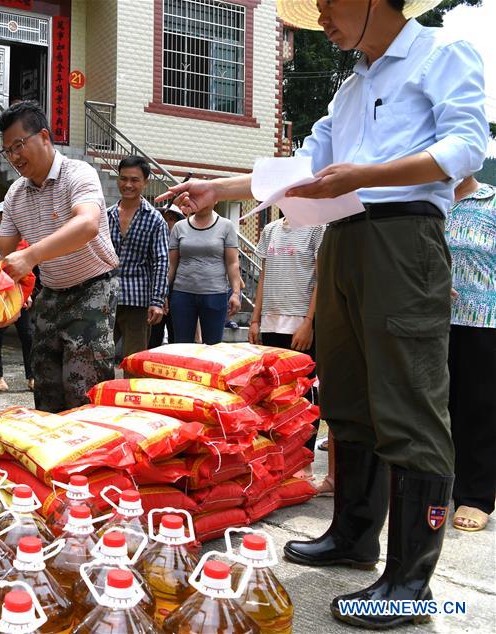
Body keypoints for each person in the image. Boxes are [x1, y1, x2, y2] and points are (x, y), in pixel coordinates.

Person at [158, 0, 487, 627]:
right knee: (349, 393)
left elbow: (466, 146)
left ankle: (411, 582)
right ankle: (355, 536)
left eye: (330, 4)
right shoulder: (352, 85)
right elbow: (308, 167)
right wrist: (221, 190)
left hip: (403, 236)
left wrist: (368, 173)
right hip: (342, 237)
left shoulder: (440, 53)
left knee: (411, 403)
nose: (320, 15)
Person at [0, 101, 119, 413]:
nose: (14, 157)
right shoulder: (15, 194)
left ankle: (91, 459)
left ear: (45, 136)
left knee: (83, 391)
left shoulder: (78, 173)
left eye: (19, 145)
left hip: (92, 290)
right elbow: (1, 250)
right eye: (8, 150)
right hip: (50, 294)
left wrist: (33, 255)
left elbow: (87, 224)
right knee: (46, 385)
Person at [249, 216, 331, 494]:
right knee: (274, 395)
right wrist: (255, 319)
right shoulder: (270, 230)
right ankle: (278, 458)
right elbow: (263, 277)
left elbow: (321, 278)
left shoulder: (317, 228)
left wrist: (310, 321)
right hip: (271, 322)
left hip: (301, 324)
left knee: (304, 395)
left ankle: (304, 461)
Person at [446, 175, 495, 533]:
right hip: (430, 322)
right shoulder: (427, 202)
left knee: (478, 408)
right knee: (436, 408)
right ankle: (440, 485)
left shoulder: (491, 202)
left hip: (485, 321)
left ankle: (476, 496)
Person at [108, 156, 169, 366]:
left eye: (134, 180)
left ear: (146, 182)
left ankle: (130, 398)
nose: (128, 185)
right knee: (98, 357)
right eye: (123, 179)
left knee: (133, 361)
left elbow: (161, 261)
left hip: (138, 299)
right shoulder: (105, 215)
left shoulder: (155, 219)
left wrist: (157, 301)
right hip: (106, 298)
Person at [167, 203, 242, 344]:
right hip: (182, 294)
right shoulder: (179, 227)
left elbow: (232, 263)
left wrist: (236, 293)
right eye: (196, 197)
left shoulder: (226, 226)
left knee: (213, 347)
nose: (201, 201)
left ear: (215, 200)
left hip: (215, 294)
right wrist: (163, 292)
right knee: (182, 346)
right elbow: (172, 265)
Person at [0, 203, 35, 392]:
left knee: (28, 336)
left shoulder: (24, 241)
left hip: (20, 297)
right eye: (1, 216)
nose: (4, 219)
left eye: (7, 215)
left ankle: (32, 377)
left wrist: (26, 295)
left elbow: (29, 272)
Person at [149, 204, 185, 348]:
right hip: (155, 293)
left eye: (171, 219)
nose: (167, 222)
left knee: (176, 336)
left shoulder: (184, 242)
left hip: (178, 292)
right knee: (154, 335)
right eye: (165, 218)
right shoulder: (153, 240)